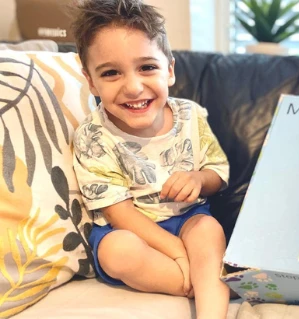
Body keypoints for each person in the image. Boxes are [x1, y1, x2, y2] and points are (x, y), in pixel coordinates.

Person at [71, 1, 230, 318]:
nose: (133, 87)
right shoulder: (93, 136)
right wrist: (179, 256)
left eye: (147, 67)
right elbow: (121, 215)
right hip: (132, 231)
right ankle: (205, 279)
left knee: (208, 230)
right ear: (91, 81)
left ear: (169, 70)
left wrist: (199, 179)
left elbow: (218, 172)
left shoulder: (190, 115)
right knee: (118, 252)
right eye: (111, 73)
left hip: (188, 220)